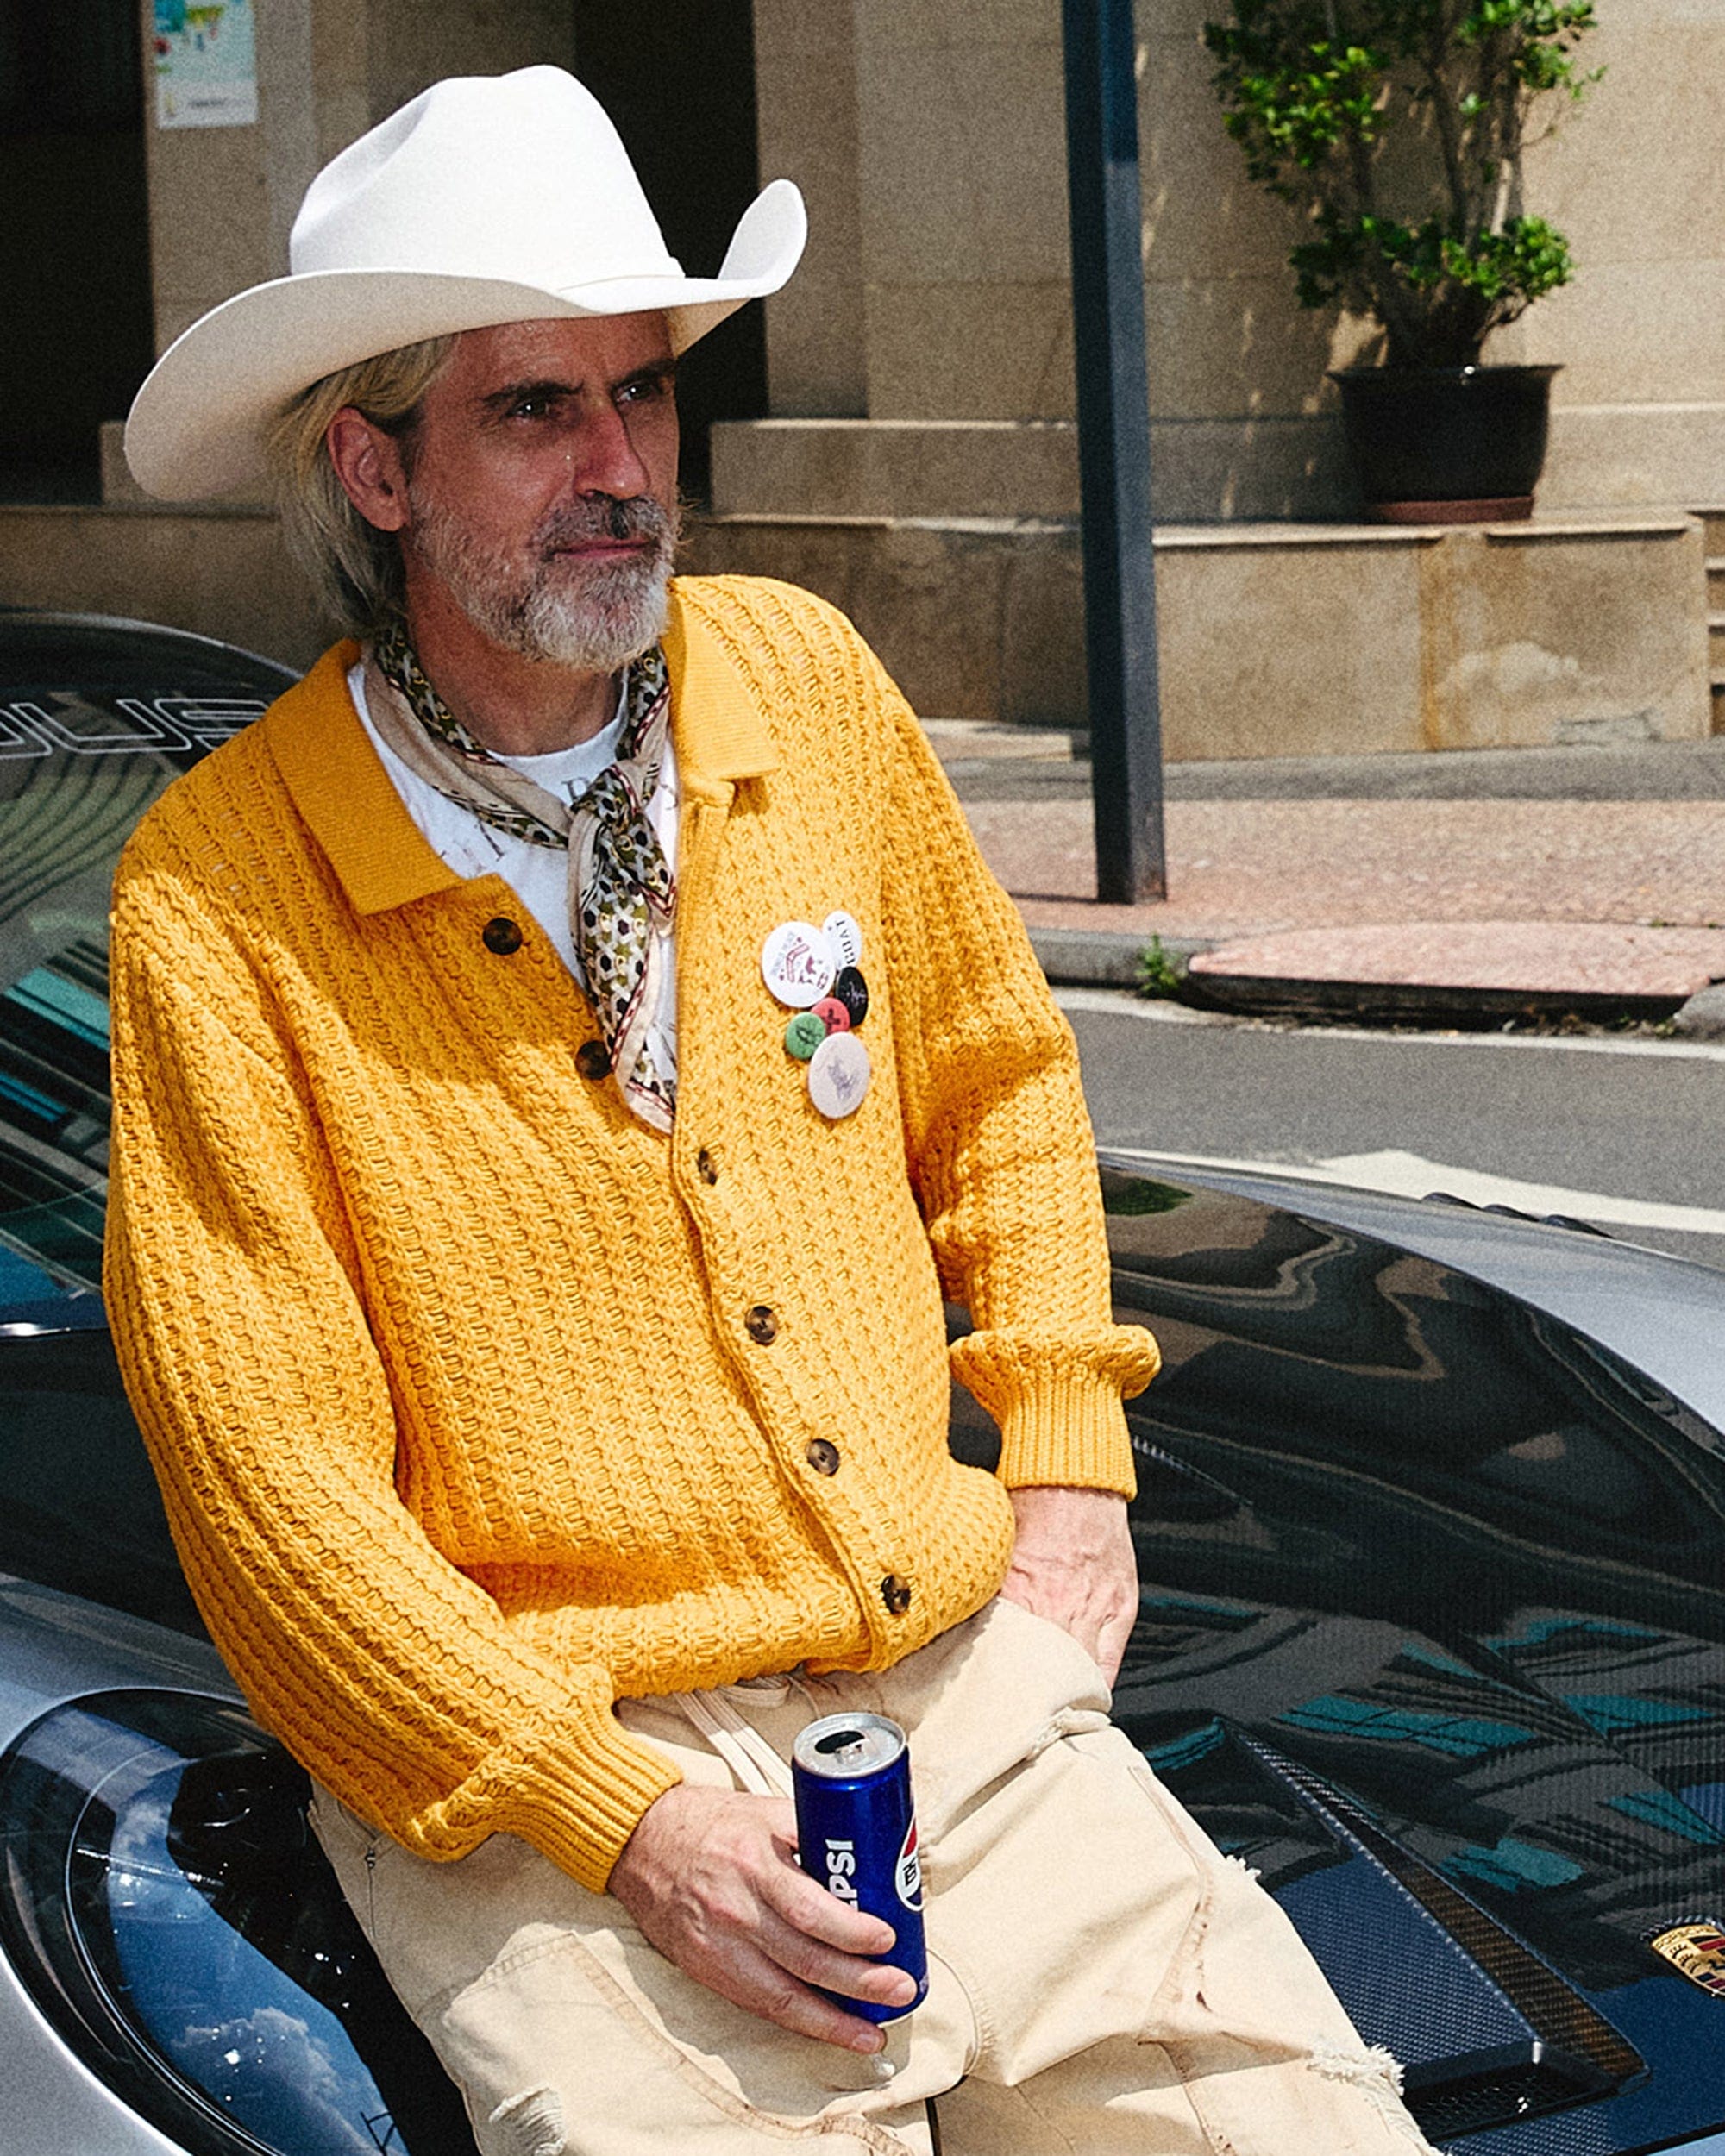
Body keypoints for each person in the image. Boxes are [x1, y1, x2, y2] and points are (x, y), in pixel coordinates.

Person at [106, 65, 1434, 2156]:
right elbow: (272, 1497)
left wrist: (1069, 1471)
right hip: (553, 1772)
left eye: (640, 395)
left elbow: (997, 1083)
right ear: (373, 466)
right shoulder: (223, 883)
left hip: (959, 1681)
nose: (622, 466)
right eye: (533, 411)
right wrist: (622, 1819)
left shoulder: (801, 680)